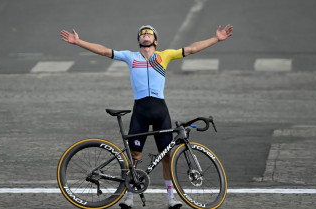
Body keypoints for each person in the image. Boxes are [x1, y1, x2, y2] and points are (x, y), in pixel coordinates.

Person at [61, 24, 233, 209]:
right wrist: (78, 42)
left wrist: (216, 39)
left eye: (149, 33)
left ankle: (170, 199)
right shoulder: (130, 56)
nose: (145, 35)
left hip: (160, 111)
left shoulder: (164, 56)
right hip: (140, 111)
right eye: (142, 33)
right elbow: (104, 51)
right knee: (134, 155)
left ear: (155, 41)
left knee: (166, 155)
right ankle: (129, 198)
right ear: (138, 41)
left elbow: (191, 49)